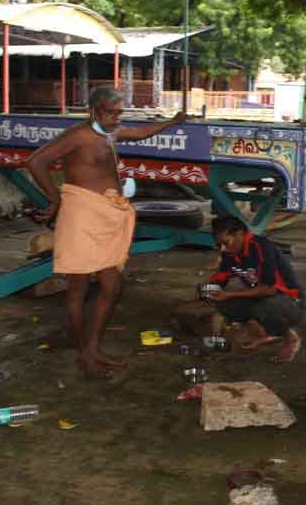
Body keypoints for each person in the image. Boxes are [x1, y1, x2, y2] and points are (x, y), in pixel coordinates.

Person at [26, 86, 186, 378]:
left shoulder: (110, 132)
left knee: (112, 286)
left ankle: (93, 347)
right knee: (78, 289)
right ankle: (83, 353)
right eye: (109, 113)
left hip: (107, 214)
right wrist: (54, 198)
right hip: (82, 214)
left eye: (118, 113)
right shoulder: (79, 135)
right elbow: (36, 161)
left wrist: (173, 122)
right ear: (94, 110)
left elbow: (141, 133)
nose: (115, 118)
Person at [206, 216, 304, 363]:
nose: (223, 249)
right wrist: (208, 289)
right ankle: (263, 332)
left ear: (239, 234)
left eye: (226, 243)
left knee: (263, 306)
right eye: (219, 244)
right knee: (223, 305)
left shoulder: (262, 247)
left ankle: (291, 338)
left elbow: (269, 289)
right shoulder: (229, 254)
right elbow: (220, 278)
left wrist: (229, 294)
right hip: (261, 298)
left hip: (290, 302)